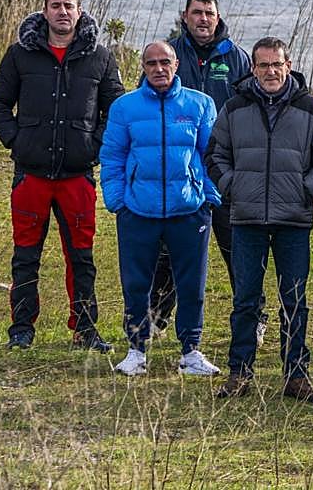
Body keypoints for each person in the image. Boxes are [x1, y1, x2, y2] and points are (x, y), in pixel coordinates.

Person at [0, 0, 124, 352]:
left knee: (81, 256)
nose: (63, 12)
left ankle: (84, 328)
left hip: (77, 175)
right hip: (31, 174)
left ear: (79, 12)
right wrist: (17, 141)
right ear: (44, 12)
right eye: (56, 6)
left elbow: (116, 109)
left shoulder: (100, 57)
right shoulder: (20, 54)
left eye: (69, 6)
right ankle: (21, 328)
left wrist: (93, 147)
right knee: (25, 254)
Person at [207, 37, 313, 403]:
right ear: (253, 68)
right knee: (246, 299)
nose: (270, 71)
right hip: (247, 218)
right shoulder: (235, 108)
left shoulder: (311, 109)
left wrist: (306, 189)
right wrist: (232, 186)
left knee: (294, 299)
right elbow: (215, 153)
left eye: (276, 64)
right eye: (263, 65)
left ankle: (296, 375)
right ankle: (240, 373)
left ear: (288, 64)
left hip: (293, 219)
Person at [99, 41, 221, 377]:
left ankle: (191, 351)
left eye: (164, 62)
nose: (158, 69)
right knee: (137, 283)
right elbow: (112, 156)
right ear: (143, 66)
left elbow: (212, 155)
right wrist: (117, 201)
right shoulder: (125, 107)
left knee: (191, 284)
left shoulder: (200, 104)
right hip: (138, 210)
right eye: (151, 63)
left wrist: (209, 196)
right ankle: (136, 350)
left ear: (176, 63)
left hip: (189, 209)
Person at [152, 0, 254, 343]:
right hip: (179, 172)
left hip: (225, 170)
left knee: (236, 248)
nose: (203, 19)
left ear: (218, 16)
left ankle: (253, 316)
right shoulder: (168, 54)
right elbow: (148, 104)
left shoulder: (236, 57)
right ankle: (155, 317)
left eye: (209, 13)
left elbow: (252, 109)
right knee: (170, 249)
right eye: (197, 13)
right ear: (185, 16)